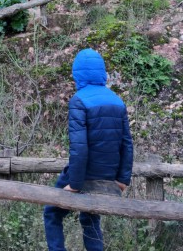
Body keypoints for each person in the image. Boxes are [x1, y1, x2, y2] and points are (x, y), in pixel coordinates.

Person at [43, 48, 133, 251]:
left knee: (51, 213)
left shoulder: (79, 100)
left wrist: (74, 184)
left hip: (84, 176)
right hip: (108, 177)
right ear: (102, 72)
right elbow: (127, 143)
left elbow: (79, 148)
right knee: (90, 218)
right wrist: (122, 180)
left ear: (78, 74)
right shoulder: (117, 101)